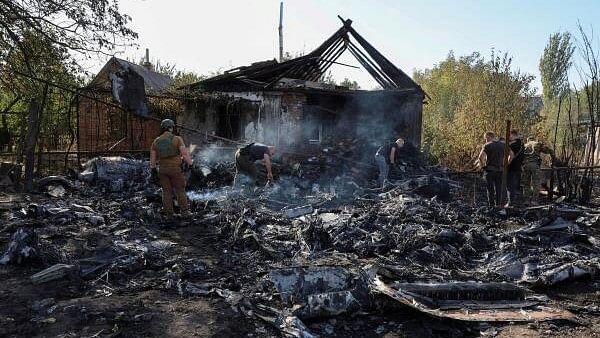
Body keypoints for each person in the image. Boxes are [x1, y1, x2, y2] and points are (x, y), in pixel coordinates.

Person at [150, 119, 193, 220]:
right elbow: (184, 154)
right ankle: (185, 213)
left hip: (163, 170)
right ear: (171, 128)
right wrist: (190, 164)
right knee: (180, 190)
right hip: (175, 170)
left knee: (166, 192)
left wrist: (153, 169)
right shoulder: (177, 139)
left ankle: (169, 214)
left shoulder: (156, 141)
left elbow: (152, 158)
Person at [522, 136, 554, 205]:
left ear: (528, 140)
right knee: (536, 183)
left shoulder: (524, 145)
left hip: (525, 166)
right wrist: (553, 157)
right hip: (534, 165)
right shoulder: (537, 144)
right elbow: (547, 150)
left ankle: (526, 200)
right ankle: (534, 200)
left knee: (526, 184)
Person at [476, 131, 505, 207]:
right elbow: (510, 155)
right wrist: (505, 164)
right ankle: (498, 205)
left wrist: (483, 166)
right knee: (499, 188)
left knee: (490, 189)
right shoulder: (503, 145)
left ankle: (491, 206)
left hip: (490, 170)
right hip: (500, 170)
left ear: (489, 137)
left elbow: (480, 157)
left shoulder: (487, 145)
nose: (485, 140)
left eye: (486, 138)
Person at [506, 129, 524, 207]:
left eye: (509, 135)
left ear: (512, 135)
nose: (509, 137)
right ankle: (516, 202)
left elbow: (511, 156)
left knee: (510, 186)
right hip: (519, 168)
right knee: (516, 186)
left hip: (511, 168)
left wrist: (506, 164)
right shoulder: (522, 144)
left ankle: (510, 203)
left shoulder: (512, 145)